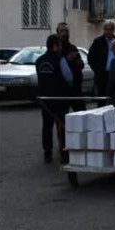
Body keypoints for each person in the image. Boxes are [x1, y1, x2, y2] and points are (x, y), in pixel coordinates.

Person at [36, 34, 73, 163]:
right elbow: (69, 77)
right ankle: (64, 152)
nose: (61, 47)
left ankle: (47, 154)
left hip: (45, 99)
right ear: (55, 45)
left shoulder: (39, 61)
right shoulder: (60, 59)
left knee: (47, 127)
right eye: (60, 45)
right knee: (61, 126)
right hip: (60, 98)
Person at [56, 22, 85, 111]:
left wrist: (79, 63)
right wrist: (66, 60)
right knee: (62, 116)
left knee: (81, 114)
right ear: (58, 33)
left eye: (67, 31)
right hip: (63, 89)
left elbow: (81, 65)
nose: (65, 33)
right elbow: (55, 66)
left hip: (76, 88)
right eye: (62, 31)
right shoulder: (56, 49)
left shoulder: (73, 48)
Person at [87, 20, 115, 105]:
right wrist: (97, 70)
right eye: (106, 29)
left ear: (113, 30)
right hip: (101, 75)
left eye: (110, 29)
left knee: (112, 98)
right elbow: (91, 58)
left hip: (113, 74)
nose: (108, 31)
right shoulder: (98, 41)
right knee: (101, 99)